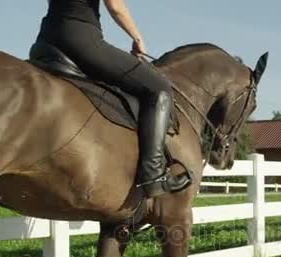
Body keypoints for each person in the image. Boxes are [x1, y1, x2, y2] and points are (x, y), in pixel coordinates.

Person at [36, 0, 191, 198]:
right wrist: (136, 37)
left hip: (47, 38)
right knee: (158, 89)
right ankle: (153, 174)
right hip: (81, 38)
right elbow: (116, 7)